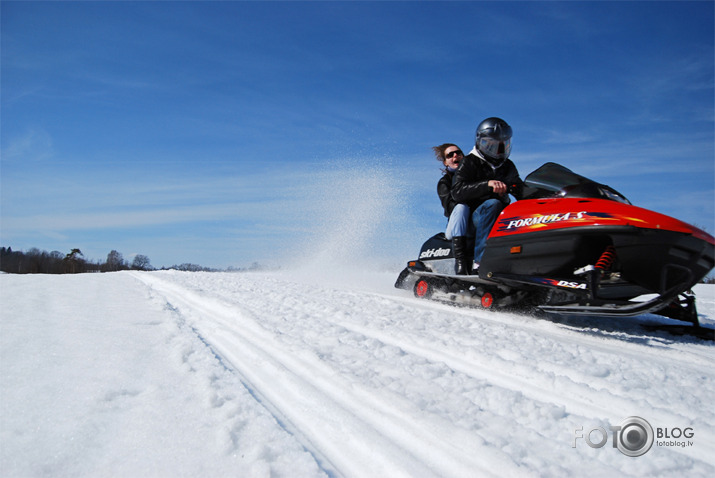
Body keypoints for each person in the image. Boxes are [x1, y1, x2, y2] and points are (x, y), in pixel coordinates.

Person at [451, 117, 524, 274]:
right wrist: (487, 185)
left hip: (500, 214)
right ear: (480, 141)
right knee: (493, 204)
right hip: (474, 216)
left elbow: (521, 190)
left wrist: (544, 196)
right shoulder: (470, 162)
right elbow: (457, 191)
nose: (498, 150)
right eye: (491, 144)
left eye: (503, 144)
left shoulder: (507, 166)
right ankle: (480, 262)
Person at [433, 143, 474, 275]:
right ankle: (460, 261)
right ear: (445, 162)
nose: (455, 156)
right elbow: (450, 206)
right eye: (450, 155)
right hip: (456, 226)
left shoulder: (474, 177)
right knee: (461, 207)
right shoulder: (445, 182)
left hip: (474, 224)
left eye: (458, 153)